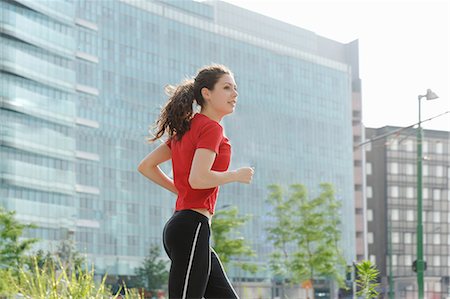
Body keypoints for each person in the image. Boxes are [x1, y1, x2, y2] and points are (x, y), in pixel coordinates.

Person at [138, 64, 254, 299]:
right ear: (206, 93)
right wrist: (235, 175)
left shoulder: (187, 127)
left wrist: (182, 191)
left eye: (235, 88)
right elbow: (199, 178)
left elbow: (146, 166)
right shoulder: (211, 128)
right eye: (227, 87)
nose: (235, 94)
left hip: (184, 227)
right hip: (192, 227)